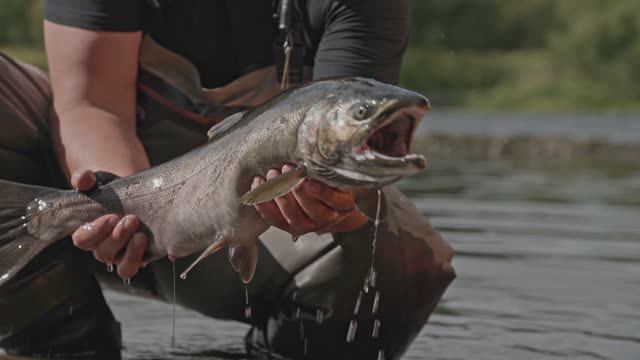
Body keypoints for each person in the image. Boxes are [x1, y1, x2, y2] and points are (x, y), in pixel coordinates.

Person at [0, 0, 455, 358]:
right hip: (114, 188)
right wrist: (119, 200)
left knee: (404, 256)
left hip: (251, 209)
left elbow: (341, 136)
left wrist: (328, 196)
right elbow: (91, 106)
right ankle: (64, 345)